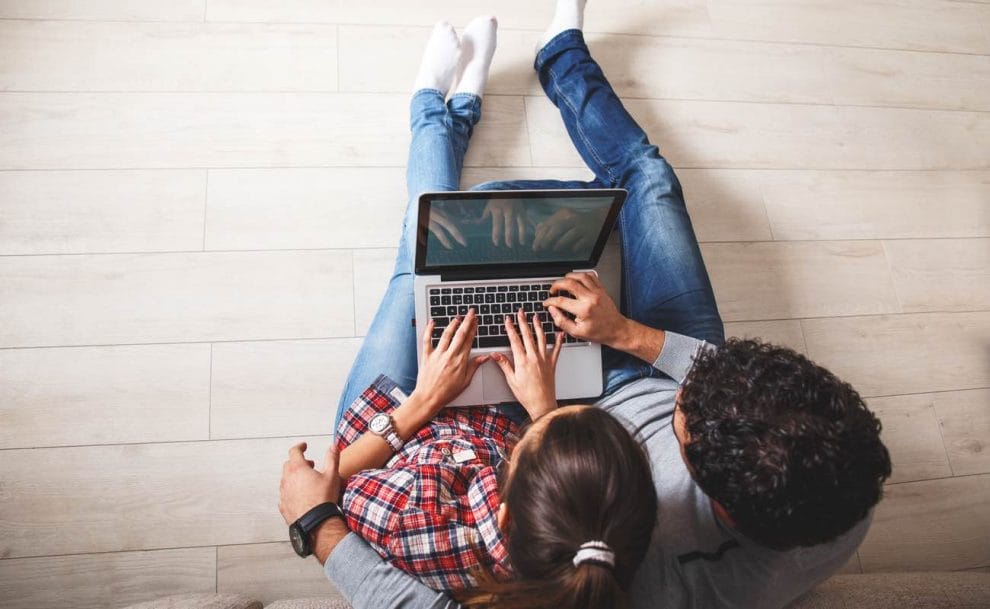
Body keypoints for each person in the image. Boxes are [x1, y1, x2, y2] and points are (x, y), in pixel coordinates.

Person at [279, 1, 892, 608]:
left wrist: (544, 420)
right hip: (573, 403)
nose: (685, 385)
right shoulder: (843, 491)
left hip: (562, 425)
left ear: (705, 494)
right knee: (648, 178)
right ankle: (561, 62)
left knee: (430, 257)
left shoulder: (618, 566)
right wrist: (626, 332)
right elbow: (715, 377)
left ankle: (443, 114)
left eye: (684, 416)